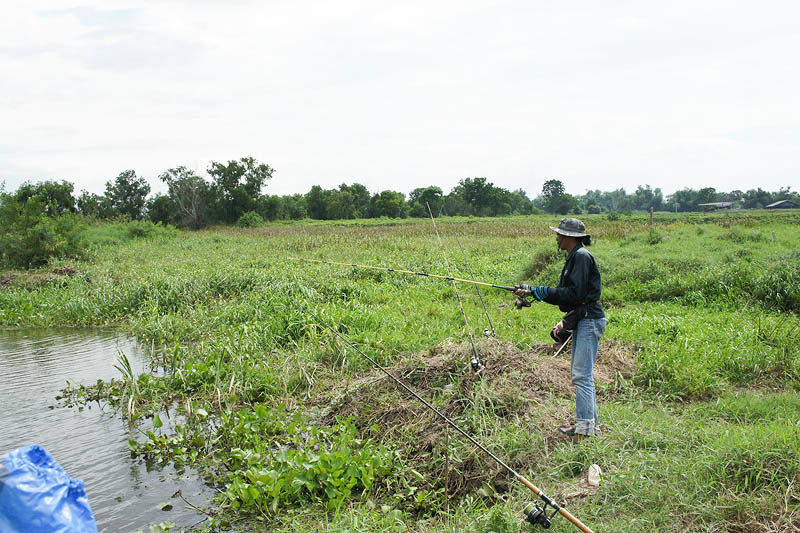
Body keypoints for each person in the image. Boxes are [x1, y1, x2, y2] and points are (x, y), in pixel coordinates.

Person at [514, 218, 606, 442]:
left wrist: (541, 291)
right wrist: (535, 292)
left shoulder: (582, 258)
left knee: (581, 376)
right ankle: (588, 426)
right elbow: (572, 296)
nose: (556, 237)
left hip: (589, 320)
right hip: (581, 319)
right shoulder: (574, 257)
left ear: (570, 238)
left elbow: (573, 295)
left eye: (559, 234)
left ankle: (585, 432)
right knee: (581, 376)